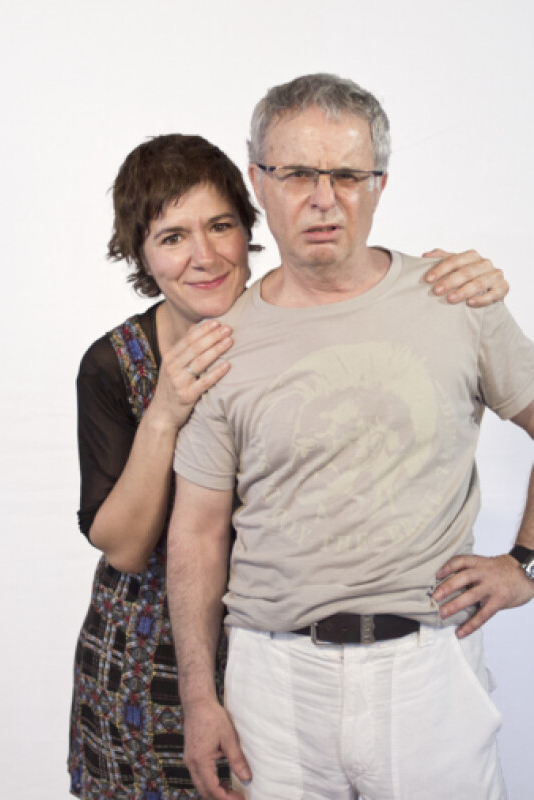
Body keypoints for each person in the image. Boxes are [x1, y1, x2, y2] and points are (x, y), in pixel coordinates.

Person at [69, 132, 507, 800]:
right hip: (150, 655)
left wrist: (456, 286)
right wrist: (163, 412)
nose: (204, 256)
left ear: (250, 228)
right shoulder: (115, 364)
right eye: (172, 237)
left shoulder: (290, 321)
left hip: (277, 650)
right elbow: (124, 548)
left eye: (220, 226)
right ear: (141, 254)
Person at [166, 74, 534, 800]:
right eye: (297, 173)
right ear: (258, 182)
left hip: (430, 670)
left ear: (379, 185)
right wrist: (199, 697)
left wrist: (525, 561)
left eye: (347, 175)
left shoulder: (455, 300)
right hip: (273, 685)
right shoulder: (222, 344)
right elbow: (198, 533)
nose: (323, 198)